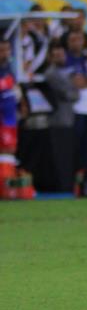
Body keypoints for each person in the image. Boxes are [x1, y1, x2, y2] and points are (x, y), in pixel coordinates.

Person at [44, 43, 79, 192]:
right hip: (59, 120)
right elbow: (69, 94)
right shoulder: (51, 73)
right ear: (51, 57)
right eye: (56, 55)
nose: (60, 57)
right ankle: (64, 187)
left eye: (61, 54)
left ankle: (69, 185)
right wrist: (75, 89)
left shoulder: (64, 72)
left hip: (68, 118)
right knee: (62, 156)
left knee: (68, 155)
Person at [65, 30, 87, 177]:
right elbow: (75, 82)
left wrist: (86, 81)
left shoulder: (86, 59)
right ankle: (74, 176)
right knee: (75, 145)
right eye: (73, 39)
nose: (76, 42)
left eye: (79, 39)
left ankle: (85, 176)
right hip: (75, 109)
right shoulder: (66, 59)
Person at [0, 39, 18, 194]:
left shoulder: (9, 68)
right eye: (1, 51)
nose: (5, 54)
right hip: (2, 117)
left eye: (7, 50)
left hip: (10, 117)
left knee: (9, 149)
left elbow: (13, 90)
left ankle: (7, 187)